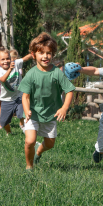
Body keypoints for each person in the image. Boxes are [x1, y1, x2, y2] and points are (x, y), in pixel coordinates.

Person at [19, 33, 75, 170]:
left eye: (49, 53)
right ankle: (29, 166)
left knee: (50, 144)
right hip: (33, 114)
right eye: (41, 53)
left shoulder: (57, 73)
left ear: (53, 54)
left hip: (51, 114)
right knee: (29, 141)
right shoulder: (31, 74)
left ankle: (39, 151)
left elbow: (69, 90)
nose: (45, 56)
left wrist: (64, 108)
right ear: (33, 55)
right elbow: (25, 96)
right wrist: (26, 111)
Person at [0, 48, 33, 134]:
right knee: (3, 122)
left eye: (7, 58)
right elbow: (3, 79)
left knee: (21, 114)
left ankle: (23, 126)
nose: (6, 61)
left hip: (19, 96)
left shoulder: (15, 63)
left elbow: (25, 58)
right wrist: (9, 70)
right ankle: (9, 132)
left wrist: (35, 53)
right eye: (3, 59)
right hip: (6, 100)